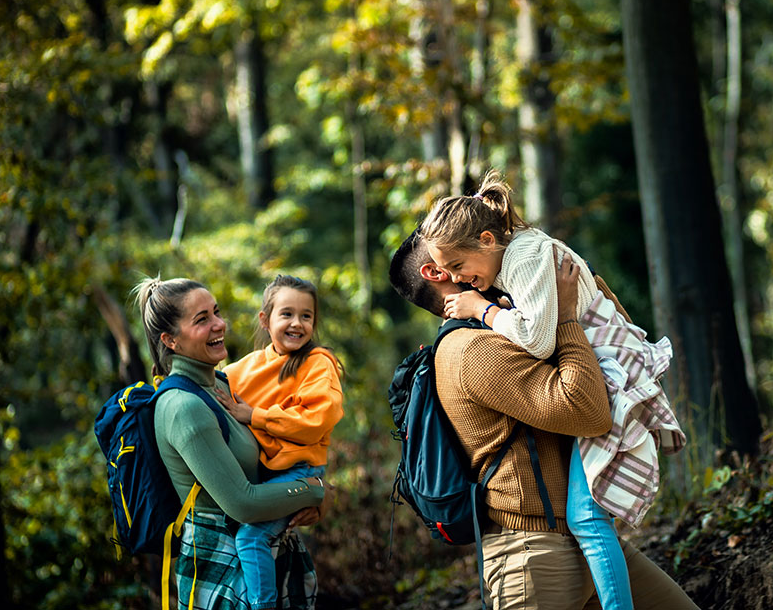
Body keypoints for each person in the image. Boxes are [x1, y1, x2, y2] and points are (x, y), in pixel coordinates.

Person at [388, 231, 700, 610]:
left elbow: (615, 347)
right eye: (455, 252)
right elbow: (588, 410)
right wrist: (566, 318)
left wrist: (578, 292)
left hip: (587, 539)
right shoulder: (474, 350)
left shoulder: (508, 324)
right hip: (534, 559)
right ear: (437, 271)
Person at [134, 276, 326, 610]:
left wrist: (302, 500)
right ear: (171, 340)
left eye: (216, 312)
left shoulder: (220, 384)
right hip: (221, 569)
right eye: (202, 319)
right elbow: (244, 503)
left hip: (255, 560)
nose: (219, 324)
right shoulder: (184, 406)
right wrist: (316, 490)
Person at [216, 275, 345, 610]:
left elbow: (316, 423)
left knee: (252, 536)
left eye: (306, 316)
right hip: (265, 475)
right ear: (265, 319)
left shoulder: (317, 363)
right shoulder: (248, 367)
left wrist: (255, 416)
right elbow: (212, 381)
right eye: (286, 314)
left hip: (300, 471)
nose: (297, 323)